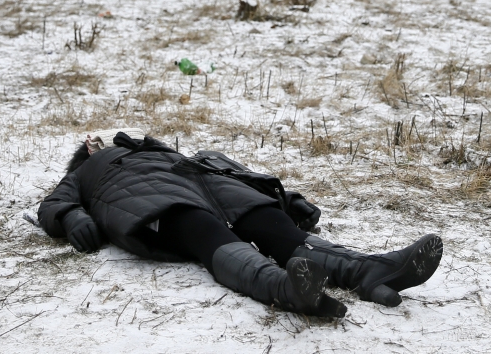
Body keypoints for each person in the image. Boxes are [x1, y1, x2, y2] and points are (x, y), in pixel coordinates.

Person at [38, 129, 443, 319]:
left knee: (270, 224)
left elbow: (232, 169)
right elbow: (53, 202)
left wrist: (288, 201)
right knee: (203, 231)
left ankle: (369, 270)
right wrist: (72, 215)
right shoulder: (88, 170)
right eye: (93, 143)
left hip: (208, 185)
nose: (101, 139)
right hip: (152, 201)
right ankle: (285, 288)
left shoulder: (162, 149)